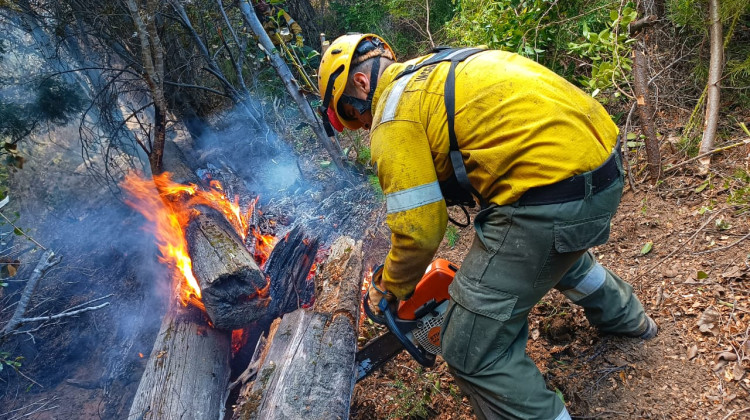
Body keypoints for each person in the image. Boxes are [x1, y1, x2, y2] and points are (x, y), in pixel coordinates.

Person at [317, 33, 658, 420]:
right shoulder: (437, 66)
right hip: (605, 171)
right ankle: (632, 321)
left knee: (467, 350)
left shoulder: (393, 114)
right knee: (555, 256)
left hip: (554, 200)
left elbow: (420, 229)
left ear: (360, 84)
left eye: (351, 112)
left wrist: (388, 287)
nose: (361, 125)